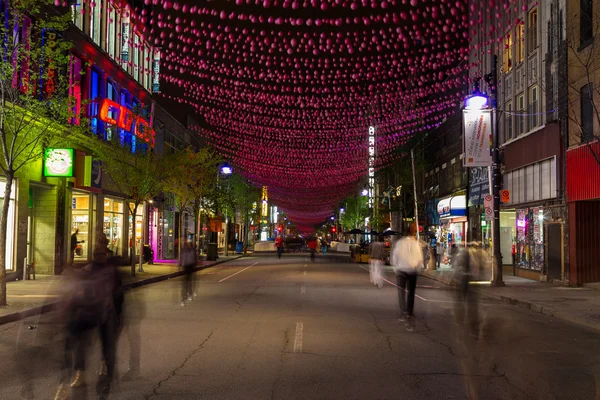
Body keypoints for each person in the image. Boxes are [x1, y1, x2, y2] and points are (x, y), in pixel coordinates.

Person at [391, 236, 424, 331]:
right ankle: (409, 313)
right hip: (412, 270)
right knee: (411, 293)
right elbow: (420, 258)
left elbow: (395, 256)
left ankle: (403, 312)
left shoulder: (400, 243)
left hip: (401, 270)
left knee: (401, 292)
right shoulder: (416, 244)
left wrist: (395, 267)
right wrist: (417, 267)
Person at [181, 241, 197, 306]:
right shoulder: (184, 251)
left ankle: (189, 295)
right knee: (185, 283)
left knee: (189, 282)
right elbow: (182, 258)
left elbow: (194, 259)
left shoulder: (192, 251)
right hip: (186, 267)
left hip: (191, 267)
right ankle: (183, 298)